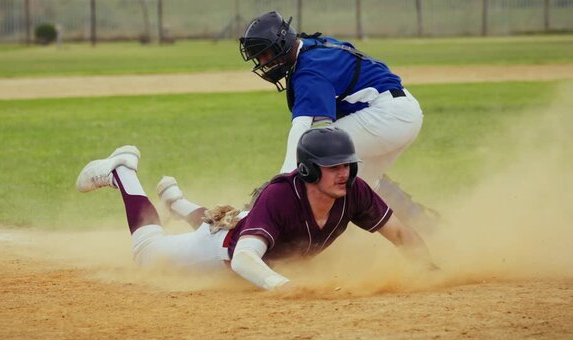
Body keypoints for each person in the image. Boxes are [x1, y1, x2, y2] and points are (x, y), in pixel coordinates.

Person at [76, 127, 436, 290]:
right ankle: (122, 173)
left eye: (347, 164)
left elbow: (400, 233)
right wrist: (285, 288)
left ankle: (177, 202)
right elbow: (245, 259)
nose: (344, 172)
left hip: (238, 228)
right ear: (309, 170)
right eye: (333, 166)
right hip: (215, 255)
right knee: (146, 252)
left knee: (220, 222)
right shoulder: (280, 197)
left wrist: (430, 268)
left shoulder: (352, 191)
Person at [239, 11, 439, 232]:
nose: (264, 63)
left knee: (317, 150)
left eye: (266, 54)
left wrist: (281, 181)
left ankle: (283, 231)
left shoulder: (309, 71)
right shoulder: (312, 46)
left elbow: (302, 130)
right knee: (362, 186)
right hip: (399, 112)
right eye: (260, 58)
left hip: (388, 117)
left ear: (283, 44)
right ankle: (425, 226)